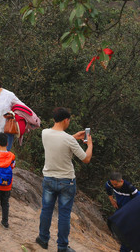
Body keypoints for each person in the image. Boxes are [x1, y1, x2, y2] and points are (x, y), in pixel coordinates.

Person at [35, 107, 92, 252]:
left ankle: (43, 239)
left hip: (48, 178)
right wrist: (89, 144)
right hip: (66, 181)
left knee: (46, 210)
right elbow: (86, 158)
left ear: (54, 119)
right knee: (64, 215)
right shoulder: (68, 140)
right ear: (66, 120)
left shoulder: (45, 133)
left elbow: (58, 141)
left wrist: (73, 137)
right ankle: (62, 247)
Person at [106, 171, 140, 252]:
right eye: (112, 184)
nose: (114, 186)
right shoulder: (111, 183)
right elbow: (107, 186)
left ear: (121, 181)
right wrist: (111, 199)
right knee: (117, 226)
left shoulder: (130, 188)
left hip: (130, 212)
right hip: (120, 209)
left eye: (116, 184)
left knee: (128, 232)